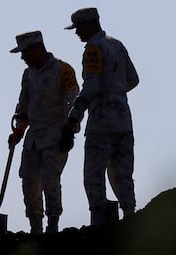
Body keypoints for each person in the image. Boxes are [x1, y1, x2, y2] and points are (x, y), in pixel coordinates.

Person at [62, 8, 139, 226]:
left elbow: (91, 86)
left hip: (102, 121)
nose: (77, 33)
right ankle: (130, 219)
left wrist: (73, 117)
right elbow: (133, 79)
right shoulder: (117, 44)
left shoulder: (93, 49)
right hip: (124, 118)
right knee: (123, 173)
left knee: (94, 174)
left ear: (90, 24)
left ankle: (99, 223)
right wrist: (116, 93)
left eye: (78, 28)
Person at [8, 30, 79, 234]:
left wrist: (70, 130)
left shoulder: (62, 70)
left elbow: (73, 101)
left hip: (56, 134)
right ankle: (35, 228)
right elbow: (23, 107)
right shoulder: (28, 75)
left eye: (25, 52)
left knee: (50, 180)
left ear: (37, 48)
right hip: (33, 139)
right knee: (29, 181)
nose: (22, 58)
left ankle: (53, 226)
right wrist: (18, 131)